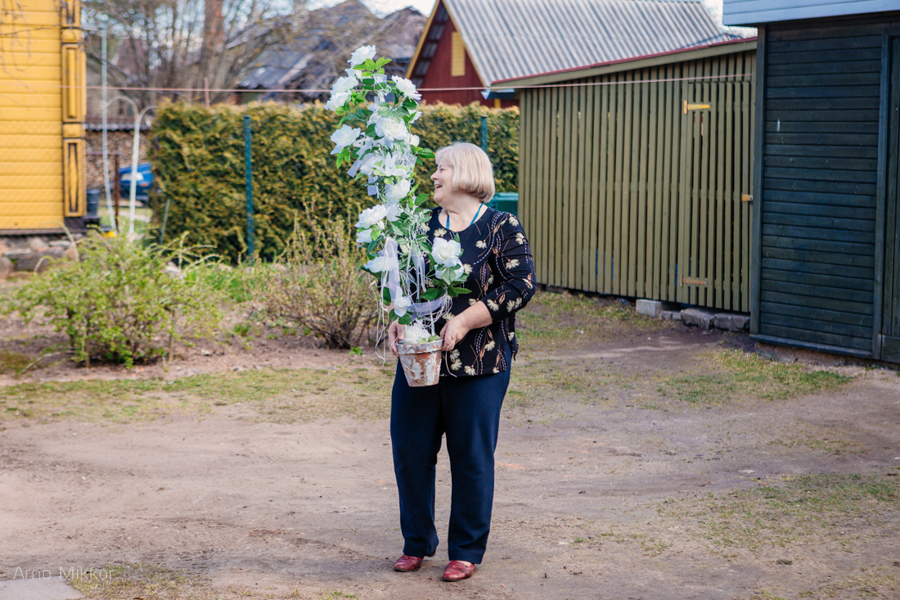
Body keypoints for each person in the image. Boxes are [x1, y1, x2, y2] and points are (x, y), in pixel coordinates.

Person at [387, 142, 535, 582]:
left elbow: (521, 285)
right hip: (420, 361)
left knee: (471, 456)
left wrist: (468, 320)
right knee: (410, 451)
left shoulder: (500, 226)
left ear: (466, 173)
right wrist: (397, 318)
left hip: (481, 363)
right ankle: (417, 543)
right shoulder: (418, 227)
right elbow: (402, 284)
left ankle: (465, 550)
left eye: (441, 168)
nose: (433, 175)